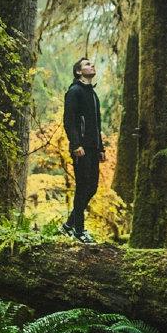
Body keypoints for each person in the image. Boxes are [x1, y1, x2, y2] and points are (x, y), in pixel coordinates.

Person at [62, 56, 106, 242]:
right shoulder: (74, 91)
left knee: (92, 187)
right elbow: (69, 121)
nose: (92, 65)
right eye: (87, 64)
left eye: (92, 63)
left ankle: (68, 225)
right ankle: (79, 232)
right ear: (79, 71)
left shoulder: (92, 94)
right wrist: (76, 144)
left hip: (93, 149)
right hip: (81, 149)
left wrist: (101, 148)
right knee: (82, 188)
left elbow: (97, 124)